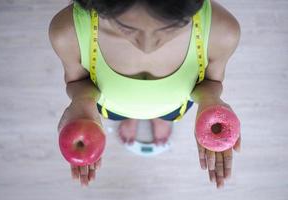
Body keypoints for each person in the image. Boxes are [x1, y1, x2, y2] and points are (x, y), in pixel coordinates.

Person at [48, 0, 241, 188]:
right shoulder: (67, 32)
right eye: (127, 28)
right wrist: (82, 101)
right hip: (113, 106)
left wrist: (210, 100)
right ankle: (133, 117)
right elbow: (76, 82)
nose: (147, 46)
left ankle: (161, 118)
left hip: (173, 105)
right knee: (121, 114)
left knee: (169, 114)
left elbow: (212, 82)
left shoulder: (222, 32)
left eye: (168, 28)